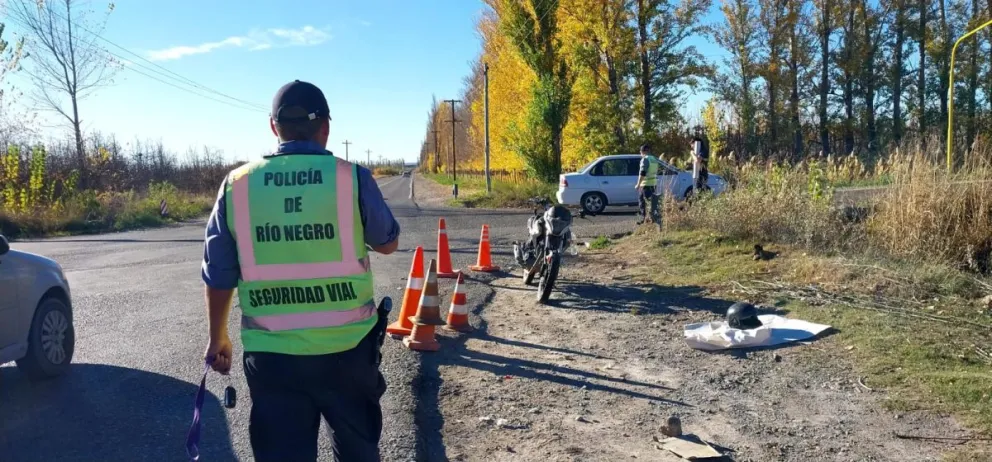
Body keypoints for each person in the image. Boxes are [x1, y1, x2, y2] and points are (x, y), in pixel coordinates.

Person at [199, 80, 401, 462]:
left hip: (272, 359)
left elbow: (219, 273)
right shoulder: (351, 178)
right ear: (326, 126)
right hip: (349, 352)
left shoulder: (237, 186)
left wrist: (217, 338)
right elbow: (388, 242)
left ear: (274, 127)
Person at [634, 143, 661, 225]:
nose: (640, 153)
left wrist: (638, 184)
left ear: (643, 151)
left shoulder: (645, 159)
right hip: (653, 184)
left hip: (645, 184)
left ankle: (644, 220)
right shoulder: (654, 159)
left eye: (640, 152)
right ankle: (651, 219)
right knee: (651, 203)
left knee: (642, 202)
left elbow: (642, 173)